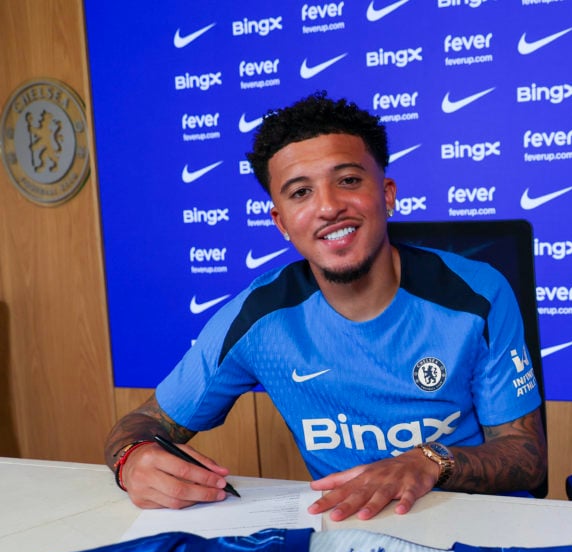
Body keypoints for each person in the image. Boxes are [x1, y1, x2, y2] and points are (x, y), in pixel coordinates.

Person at [103, 91, 546, 521]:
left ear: (387, 193)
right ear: (280, 222)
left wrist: (428, 461)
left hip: (477, 525)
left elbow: (526, 457)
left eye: (349, 180)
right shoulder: (259, 317)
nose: (329, 207)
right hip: (353, 538)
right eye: (300, 193)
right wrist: (133, 459)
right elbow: (142, 424)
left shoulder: (478, 294)